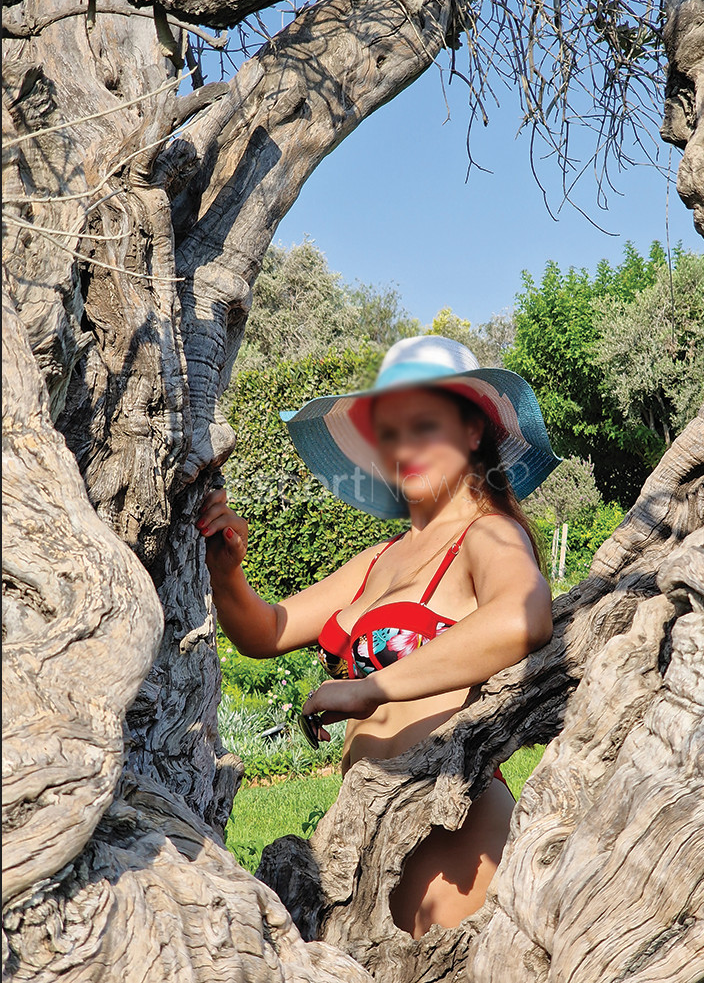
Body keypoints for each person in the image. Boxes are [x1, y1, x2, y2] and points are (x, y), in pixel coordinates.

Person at [198, 335, 560, 939]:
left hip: (451, 823)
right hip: (366, 829)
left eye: (425, 426)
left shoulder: (489, 533)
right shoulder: (377, 559)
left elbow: (522, 618)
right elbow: (267, 631)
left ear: (474, 431)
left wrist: (372, 689)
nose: (404, 446)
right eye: (390, 432)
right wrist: (227, 569)